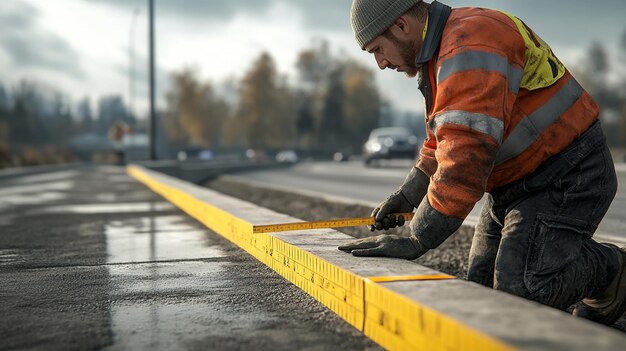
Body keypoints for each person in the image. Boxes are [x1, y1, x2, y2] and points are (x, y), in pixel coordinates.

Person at [339, 0, 626, 325]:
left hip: (569, 175)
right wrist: (408, 195)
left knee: (520, 290)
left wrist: (417, 238)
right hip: (516, 184)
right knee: (484, 293)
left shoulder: (469, 45)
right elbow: (445, 139)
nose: (380, 63)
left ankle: (612, 272)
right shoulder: (441, 53)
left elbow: (464, 159)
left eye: (377, 49)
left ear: (401, 26)